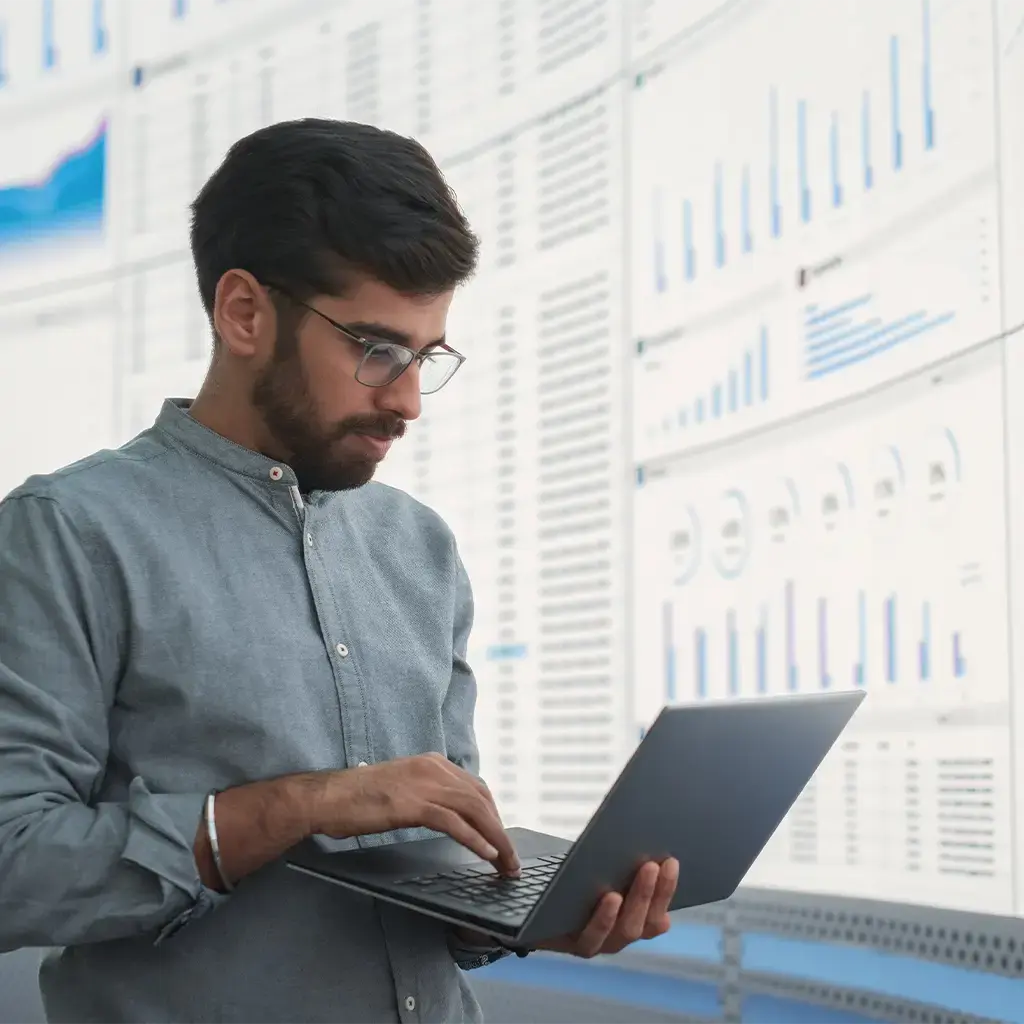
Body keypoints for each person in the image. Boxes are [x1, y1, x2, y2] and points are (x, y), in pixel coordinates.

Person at [0, 119, 679, 1023]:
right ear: (244, 312)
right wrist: (300, 806)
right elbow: (13, 867)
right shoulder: (70, 534)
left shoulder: (422, 549)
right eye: (376, 349)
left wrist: (526, 913)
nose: (405, 400)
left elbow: (440, 855)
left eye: (425, 357)